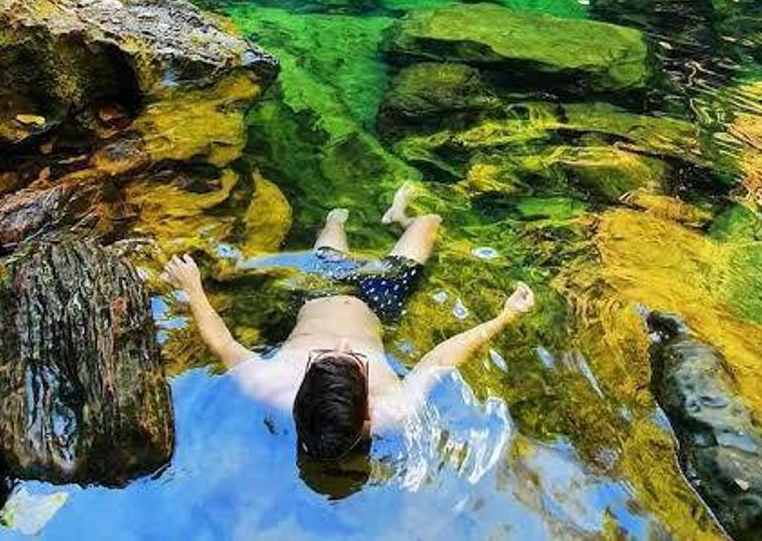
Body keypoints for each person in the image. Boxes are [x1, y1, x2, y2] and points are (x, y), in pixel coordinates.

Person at [163, 182, 535, 463]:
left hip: (317, 290)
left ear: (300, 396)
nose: (342, 344)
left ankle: (348, 218)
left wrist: (193, 288)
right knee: (428, 222)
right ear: (369, 414)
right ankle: (393, 219)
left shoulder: (270, 386)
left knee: (333, 234)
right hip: (379, 298)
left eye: (324, 355)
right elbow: (440, 360)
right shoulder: (392, 410)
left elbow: (222, 343)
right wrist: (505, 316)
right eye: (354, 361)